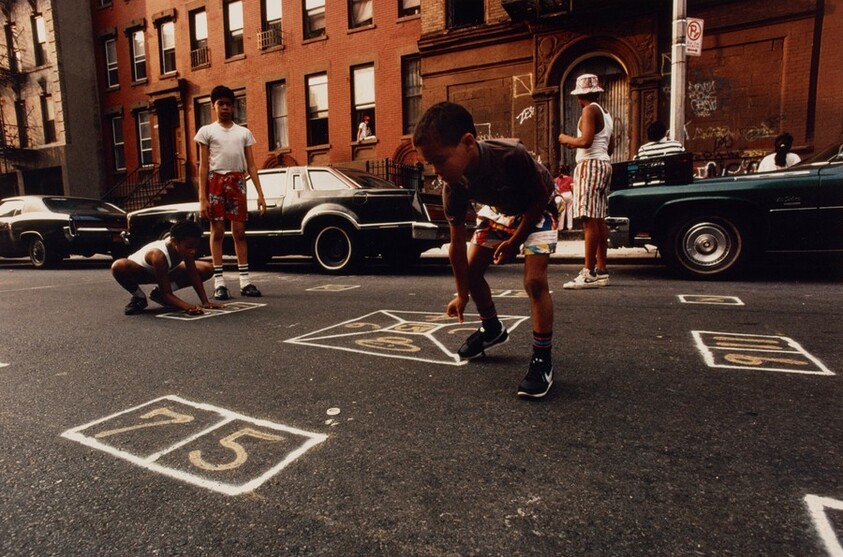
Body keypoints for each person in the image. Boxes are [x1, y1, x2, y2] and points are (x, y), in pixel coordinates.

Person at [413, 101, 558, 399]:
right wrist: (462, 293)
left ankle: (543, 359)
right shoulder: (453, 185)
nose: (437, 171)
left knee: (534, 281)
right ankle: (491, 328)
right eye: (431, 164)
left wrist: (515, 242)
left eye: (440, 160)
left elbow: (538, 201)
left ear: (468, 142)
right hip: (499, 210)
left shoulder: (511, 155)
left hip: (537, 206)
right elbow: (456, 245)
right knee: (472, 269)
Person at [195, 85, 266, 301]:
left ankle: (245, 281)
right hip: (215, 181)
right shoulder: (206, 132)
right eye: (221, 104)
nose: (225, 108)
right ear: (213, 106)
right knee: (217, 231)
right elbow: (203, 166)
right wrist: (202, 197)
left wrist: (260, 194)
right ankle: (220, 284)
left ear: (233, 107)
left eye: (228, 104)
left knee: (240, 232)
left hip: (237, 182)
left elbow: (251, 165)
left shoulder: (243, 132)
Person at [558, 73, 614, 289]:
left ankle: (588, 272)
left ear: (579, 95)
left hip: (589, 166)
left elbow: (585, 140)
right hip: (603, 164)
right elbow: (609, 145)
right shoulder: (605, 113)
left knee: (588, 219)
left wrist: (566, 139)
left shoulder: (589, 110)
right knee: (599, 219)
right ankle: (602, 270)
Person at [112, 220, 223, 315]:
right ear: (174, 241)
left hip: (165, 272)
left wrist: (205, 302)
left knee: (207, 268)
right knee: (119, 266)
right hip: (141, 273)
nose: (193, 251)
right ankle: (139, 298)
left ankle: (158, 294)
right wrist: (187, 307)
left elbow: (193, 274)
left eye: (195, 247)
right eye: (189, 247)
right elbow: (167, 294)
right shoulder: (158, 255)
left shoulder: (186, 250)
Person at [554, 164, 574, 231]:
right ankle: (569, 226)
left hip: (561, 195)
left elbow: (555, 189)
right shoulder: (570, 178)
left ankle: (560, 227)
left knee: (561, 211)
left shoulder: (556, 180)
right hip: (568, 194)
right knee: (569, 211)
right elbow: (572, 187)